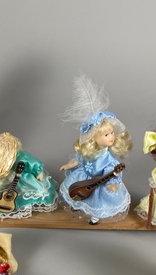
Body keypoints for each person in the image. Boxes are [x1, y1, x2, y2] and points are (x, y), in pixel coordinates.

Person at [59, 75, 132, 224]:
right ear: (93, 138)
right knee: (79, 191)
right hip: (84, 178)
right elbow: (79, 159)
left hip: (100, 182)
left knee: (97, 200)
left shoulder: (108, 158)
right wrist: (69, 165)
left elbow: (112, 171)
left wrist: (112, 183)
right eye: (106, 135)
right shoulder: (89, 153)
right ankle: (78, 204)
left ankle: (95, 216)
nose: (111, 137)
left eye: (112, 133)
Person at [0, 132, 58, 218]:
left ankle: (21, 205)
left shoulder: (18, 156)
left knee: (31, 189)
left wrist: (39, 171)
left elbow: (31, 161)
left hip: (18, 177)